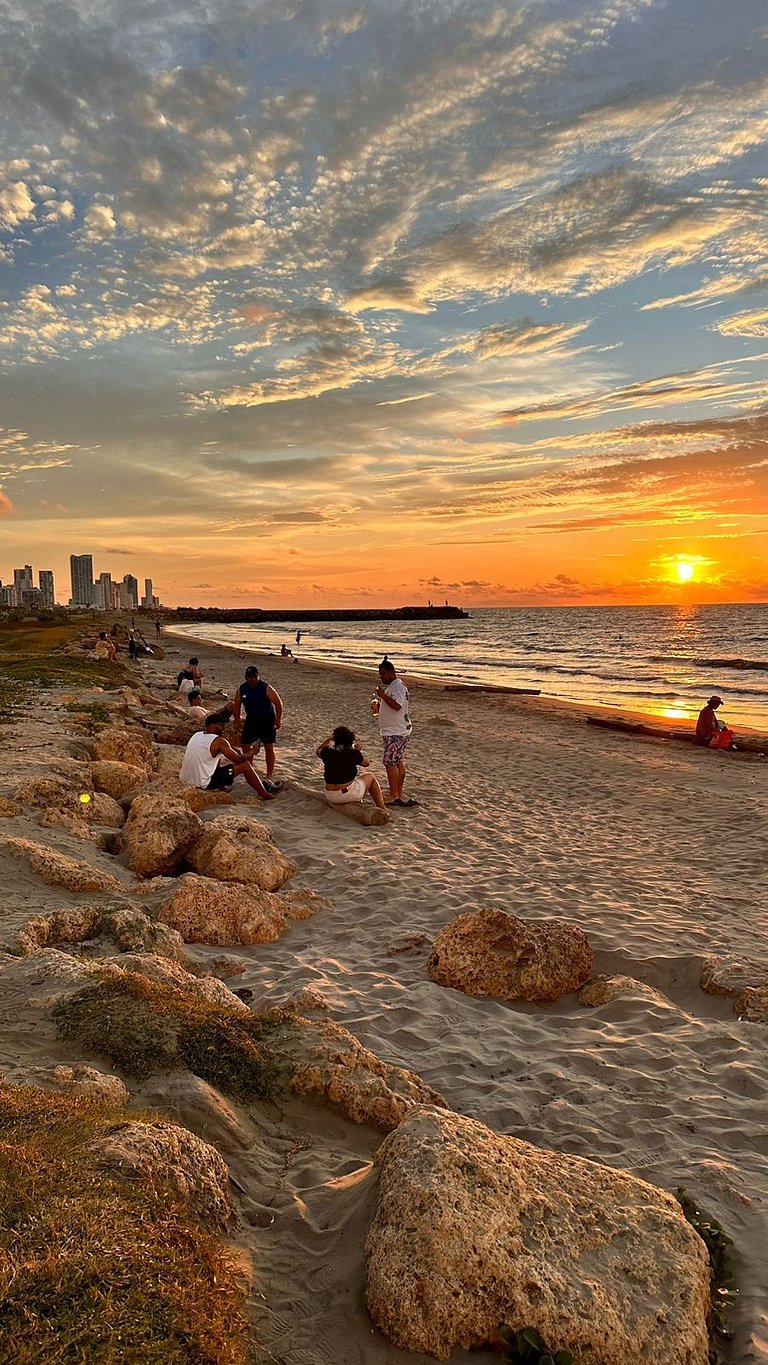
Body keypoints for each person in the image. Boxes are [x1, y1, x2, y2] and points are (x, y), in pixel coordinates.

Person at [179, 709, 275, 798]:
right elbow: (239, 760)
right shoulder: (219, 741)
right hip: (203, 783)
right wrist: (252, 752)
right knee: (245, 766)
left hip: (185, 780)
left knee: (216, 756)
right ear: (212, 725)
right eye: (220, 725)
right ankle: (265, 794)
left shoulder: (197, 735)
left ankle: (222, 787)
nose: (223, 728)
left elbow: (226, 750)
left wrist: (229, 745)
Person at [232, 665, 283, 790]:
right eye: (249, 677)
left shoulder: (266, 688)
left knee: (268, 747)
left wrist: (278, 719)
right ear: (246, 677)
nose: (252, 680)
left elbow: (278, 703)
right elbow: (237, 705)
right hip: (251, 720)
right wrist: (237, 720)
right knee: (245, 744)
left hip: (267, 720)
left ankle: (269, 774)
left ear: (257, 676)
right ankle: (250, 767)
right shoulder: (242, 689)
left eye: (254, 677)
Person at [375, 658, 416, 807]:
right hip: (396, 729)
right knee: (397, 761)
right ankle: (397, 792)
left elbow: (397, 705)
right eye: (380, 675)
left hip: (396, 731)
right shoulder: (395, 686)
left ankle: (394, 794)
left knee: (390, 761)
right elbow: (393, 705)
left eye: (384, 674)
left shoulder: (397, 686)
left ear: (392, 672)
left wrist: (382, 695)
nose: (382, 677)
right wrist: (381, 706)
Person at [316, 725, 386, 811]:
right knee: (371, 776)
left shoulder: (327, 751)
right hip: (346, 794)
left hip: (330, 795)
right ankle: (382, 807)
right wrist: (357, 752)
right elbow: (366, 764)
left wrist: (328, 740)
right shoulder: (353, 753)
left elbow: (318, 750)